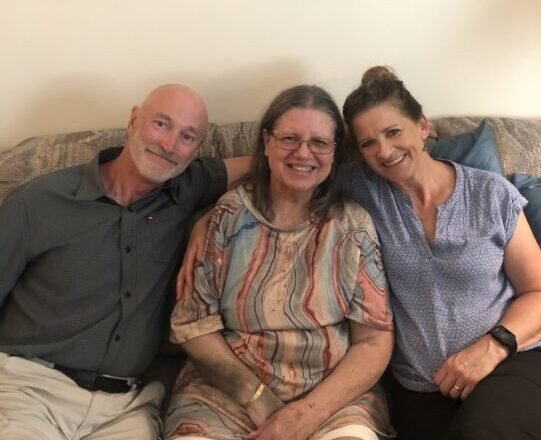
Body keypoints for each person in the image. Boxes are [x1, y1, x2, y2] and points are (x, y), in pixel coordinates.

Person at [0, 84, 250, 440]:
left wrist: (209, 215)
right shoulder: (39, 202)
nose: (169, 145)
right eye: (161, 124)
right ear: (133, 120)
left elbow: (283, 161)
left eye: (187, 136)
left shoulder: (185, 190)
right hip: (30, 390)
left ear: (196, 150)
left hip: (123, 410)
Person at [165, 85, 395, 440]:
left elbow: (373, 341)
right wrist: (256, 398)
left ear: (335, 151)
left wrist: (305, 414)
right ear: (267, 142)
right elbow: (194, 327)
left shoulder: (353, 227)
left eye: (319, 142)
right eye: (289, 138)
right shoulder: (228, 216)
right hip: (224, 394)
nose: (303, 152)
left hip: (331, 399)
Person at [341, 66, 541, 440]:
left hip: (509, 362)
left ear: (422, 125)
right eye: (368, 143)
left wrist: (494, 346)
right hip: (420, 387)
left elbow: (538, 292)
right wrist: (207, 213)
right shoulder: (361, 190)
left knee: (483, 431)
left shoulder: (490, 194)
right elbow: (289, 173)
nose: (383, 151)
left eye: (393, 132)